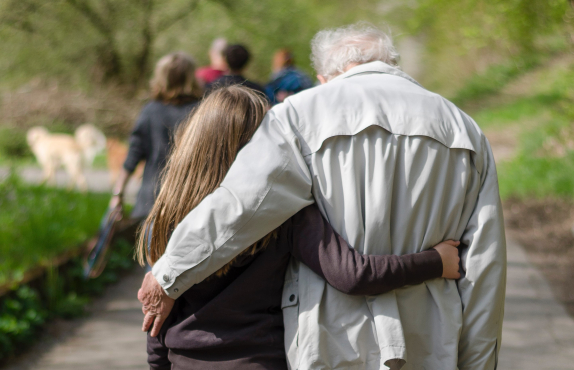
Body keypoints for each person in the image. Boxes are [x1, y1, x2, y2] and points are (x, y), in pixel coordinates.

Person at [139, 23, 507, 370]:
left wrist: (169, 274)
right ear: (390, 64)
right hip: (432, 338)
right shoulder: (464, 128)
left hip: (332, 341)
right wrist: (478, 362)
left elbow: (242, 204)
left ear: (325, 77)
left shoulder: (297, 117)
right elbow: (485, 265)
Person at [110, 52, 202, 223]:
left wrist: (118, 194)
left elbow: (133, 155)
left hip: (152, 199)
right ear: (191, 77)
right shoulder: (203, 111)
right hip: (191, 201)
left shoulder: (151, 111)